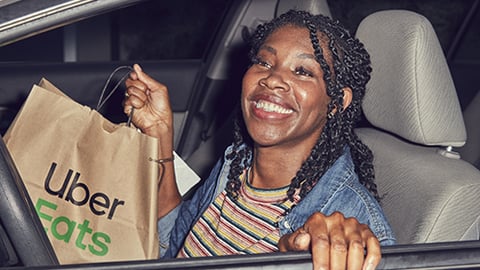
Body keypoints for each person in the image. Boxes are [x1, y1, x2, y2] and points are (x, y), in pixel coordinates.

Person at [124, 9, 395, 270]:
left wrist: (290, 258)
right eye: (264, 62)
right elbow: (176, 241)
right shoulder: (236, 162)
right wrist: (159, 134)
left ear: (337, 102)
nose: (273, 79)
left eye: (303, 71)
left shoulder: (346, 228)